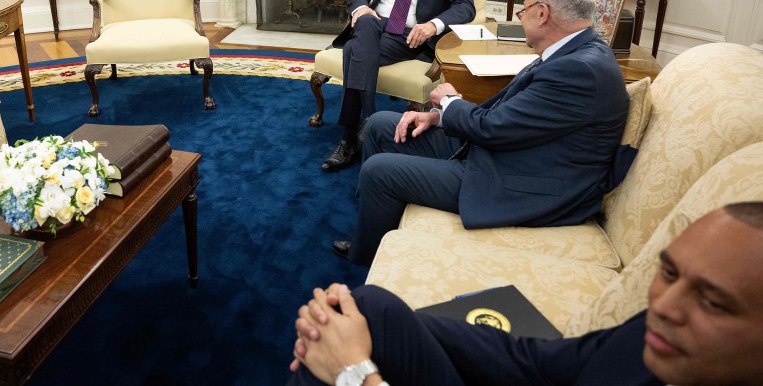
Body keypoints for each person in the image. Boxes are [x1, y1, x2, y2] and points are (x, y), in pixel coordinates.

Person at [334, 0, 631, 265]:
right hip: (509, 151)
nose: (519, 17)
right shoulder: (575, 52)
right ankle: (372, 225)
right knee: (380, 125)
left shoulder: (579, 69)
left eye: (523, 10)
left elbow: (493, 128)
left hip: (521, 181)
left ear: (542, 13)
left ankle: (369, 258)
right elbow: (512, 116)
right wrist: (439, 116)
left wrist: (448, 101)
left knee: (380, 170)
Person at [288, 202, 763, 386]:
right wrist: (356, 329)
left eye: (713, 302)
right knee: (367, 307)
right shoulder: (654, 334)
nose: (663, 307)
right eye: (670, 273)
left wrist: (357, 373)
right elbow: (540, 361)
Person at [319, 0, 475, 173]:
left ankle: (348, 138)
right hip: (376, 25)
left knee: (355, 49)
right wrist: (360, 10)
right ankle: (367, 120)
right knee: (365, 25)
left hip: (412, 34)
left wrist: (433, 25)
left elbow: (465, 6)